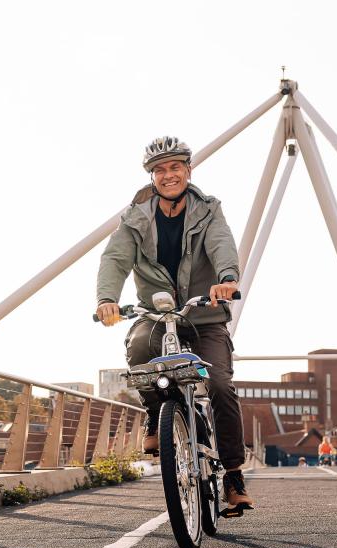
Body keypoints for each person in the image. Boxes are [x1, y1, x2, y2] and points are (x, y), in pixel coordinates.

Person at [95, 136, 253, 511]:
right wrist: (106, 299)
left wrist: (227, 279)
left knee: (218, 384)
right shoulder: (134, 220)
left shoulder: (208, 211)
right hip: (157, 314)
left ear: (188, 170)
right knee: (138, 349)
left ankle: (233, 474)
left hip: (204, 314)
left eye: (175, 167)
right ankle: (156, 415)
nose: (168, 175)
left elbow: (221, 245)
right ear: (152, 177)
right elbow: (115, 259)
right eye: (160, 170)